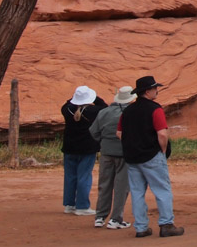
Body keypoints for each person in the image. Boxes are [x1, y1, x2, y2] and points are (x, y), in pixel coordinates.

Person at [117, 75, 184, 238]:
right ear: (147, 91)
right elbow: (162, 134)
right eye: (155, 88)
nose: (157, 90)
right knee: (162, 190)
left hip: (133, 157)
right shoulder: (155, 109)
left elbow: (119, 133)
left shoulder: (127, 111)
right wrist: (161, 150)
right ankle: (166, 224)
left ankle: (141, 227)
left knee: (137, 192)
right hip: (152, 155)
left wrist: (132, 145)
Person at [88, 85, 135, 229]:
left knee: (104, 185)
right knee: (121, 187)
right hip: (124, 153)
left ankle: (100, 217)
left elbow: (93, 131)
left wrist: (104, 141)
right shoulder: (130, 113)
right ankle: (116, 219)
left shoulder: (104, 112)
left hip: (106, 152)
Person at [61, 85, 107, 216]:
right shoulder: (94, 111)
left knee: (70, 176)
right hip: (87, 148)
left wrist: (76, 97)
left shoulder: (66, 110)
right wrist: (95, 97)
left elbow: (68, 103)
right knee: (84, 176)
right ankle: (82, 206)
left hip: (69, 147)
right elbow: (104, 106)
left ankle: (69, 205)